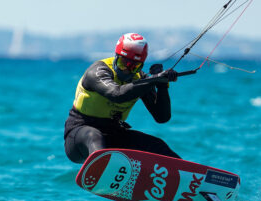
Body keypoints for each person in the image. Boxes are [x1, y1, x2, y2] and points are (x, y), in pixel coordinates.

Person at [64, 33, 180, 164]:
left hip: (113, 135)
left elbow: (162, 117)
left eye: (134, 67)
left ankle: (188, 177)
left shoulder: (139, 78)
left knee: (156, 145)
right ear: (116, 56)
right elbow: (117, 94)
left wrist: (162, 85)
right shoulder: (97, 71)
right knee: (93, 136)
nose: (127, 71)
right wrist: (152, 80)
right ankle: (102, 171)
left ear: (141, 66)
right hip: (80, 137)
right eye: (123, 63)